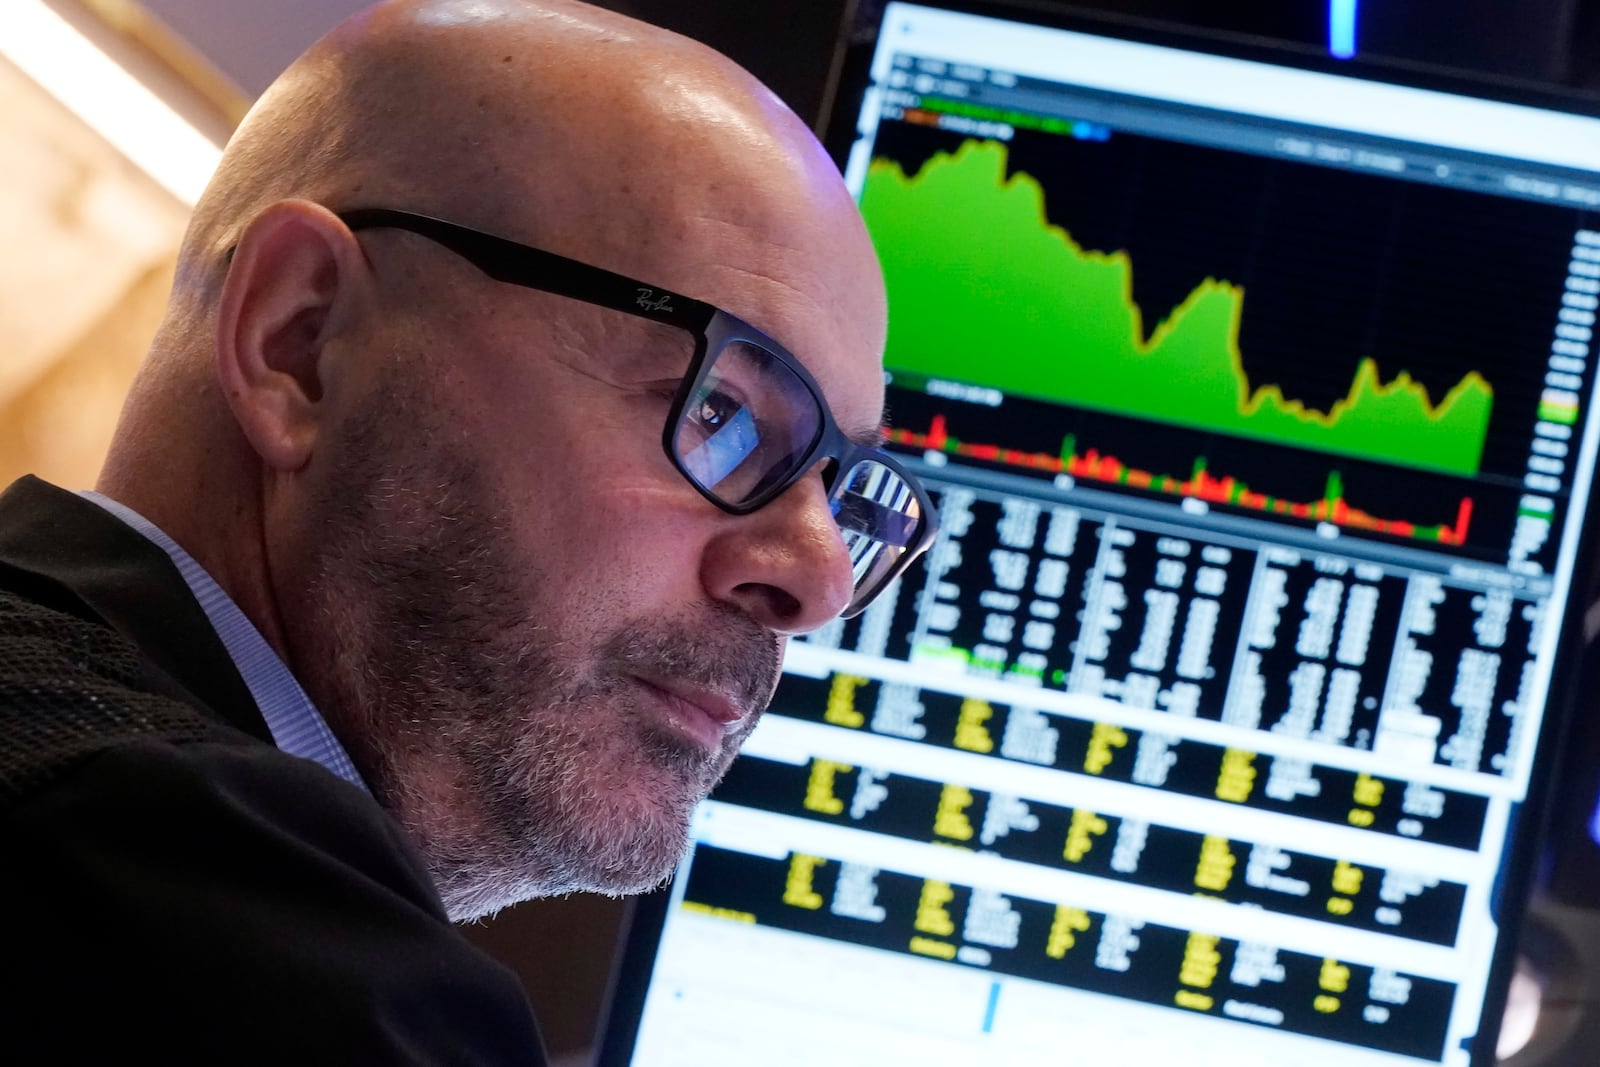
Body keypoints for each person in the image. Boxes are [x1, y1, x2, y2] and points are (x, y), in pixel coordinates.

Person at [0, 0, 933, 1059]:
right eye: (719, 411)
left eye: (846, 489)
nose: (816, 578)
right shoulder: (200, 925)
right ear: (300, 341)